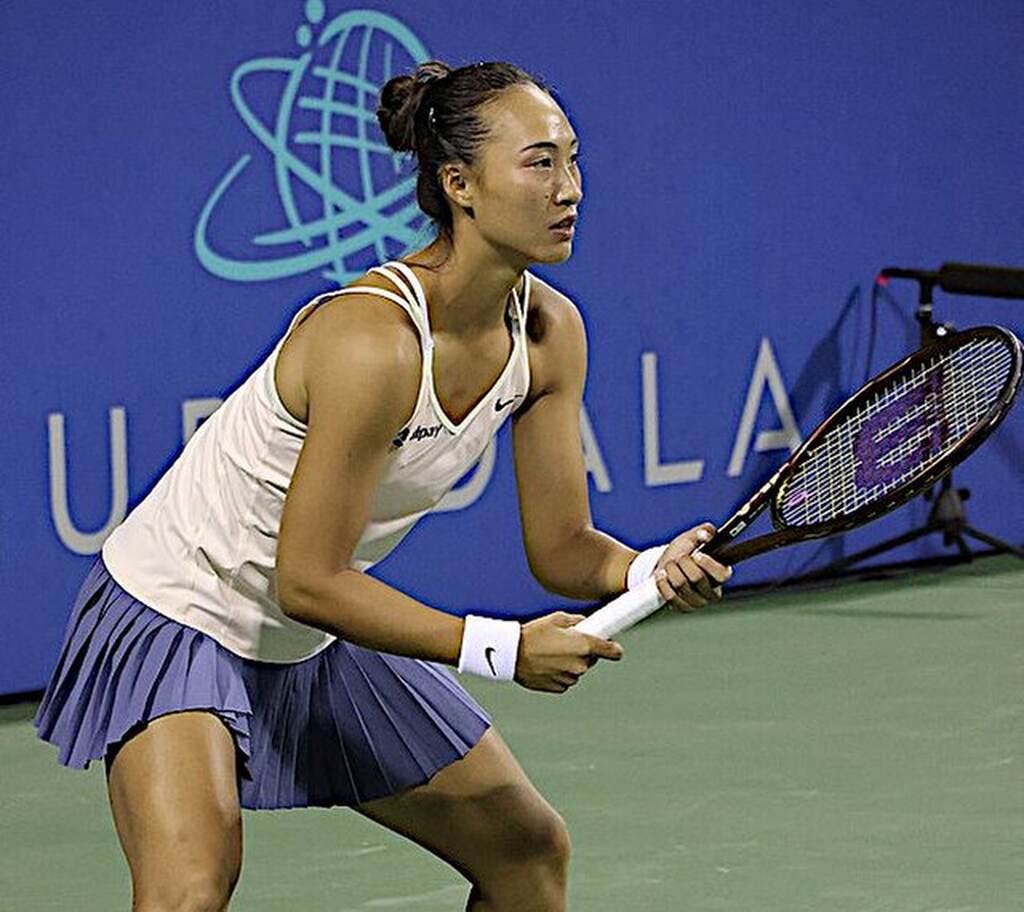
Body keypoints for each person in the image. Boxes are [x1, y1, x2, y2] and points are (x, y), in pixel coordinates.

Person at [35, 60, 732, 912]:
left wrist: (647, 568)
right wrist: (502, 650)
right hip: (183, 608)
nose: (570, 189)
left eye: (574, 160)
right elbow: (309, 578)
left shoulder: (550, 333)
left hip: (310, 630)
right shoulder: (373, 340)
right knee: (190, 887)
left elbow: (563, 548)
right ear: (459, 184)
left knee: (527, 852)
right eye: (539, 163)